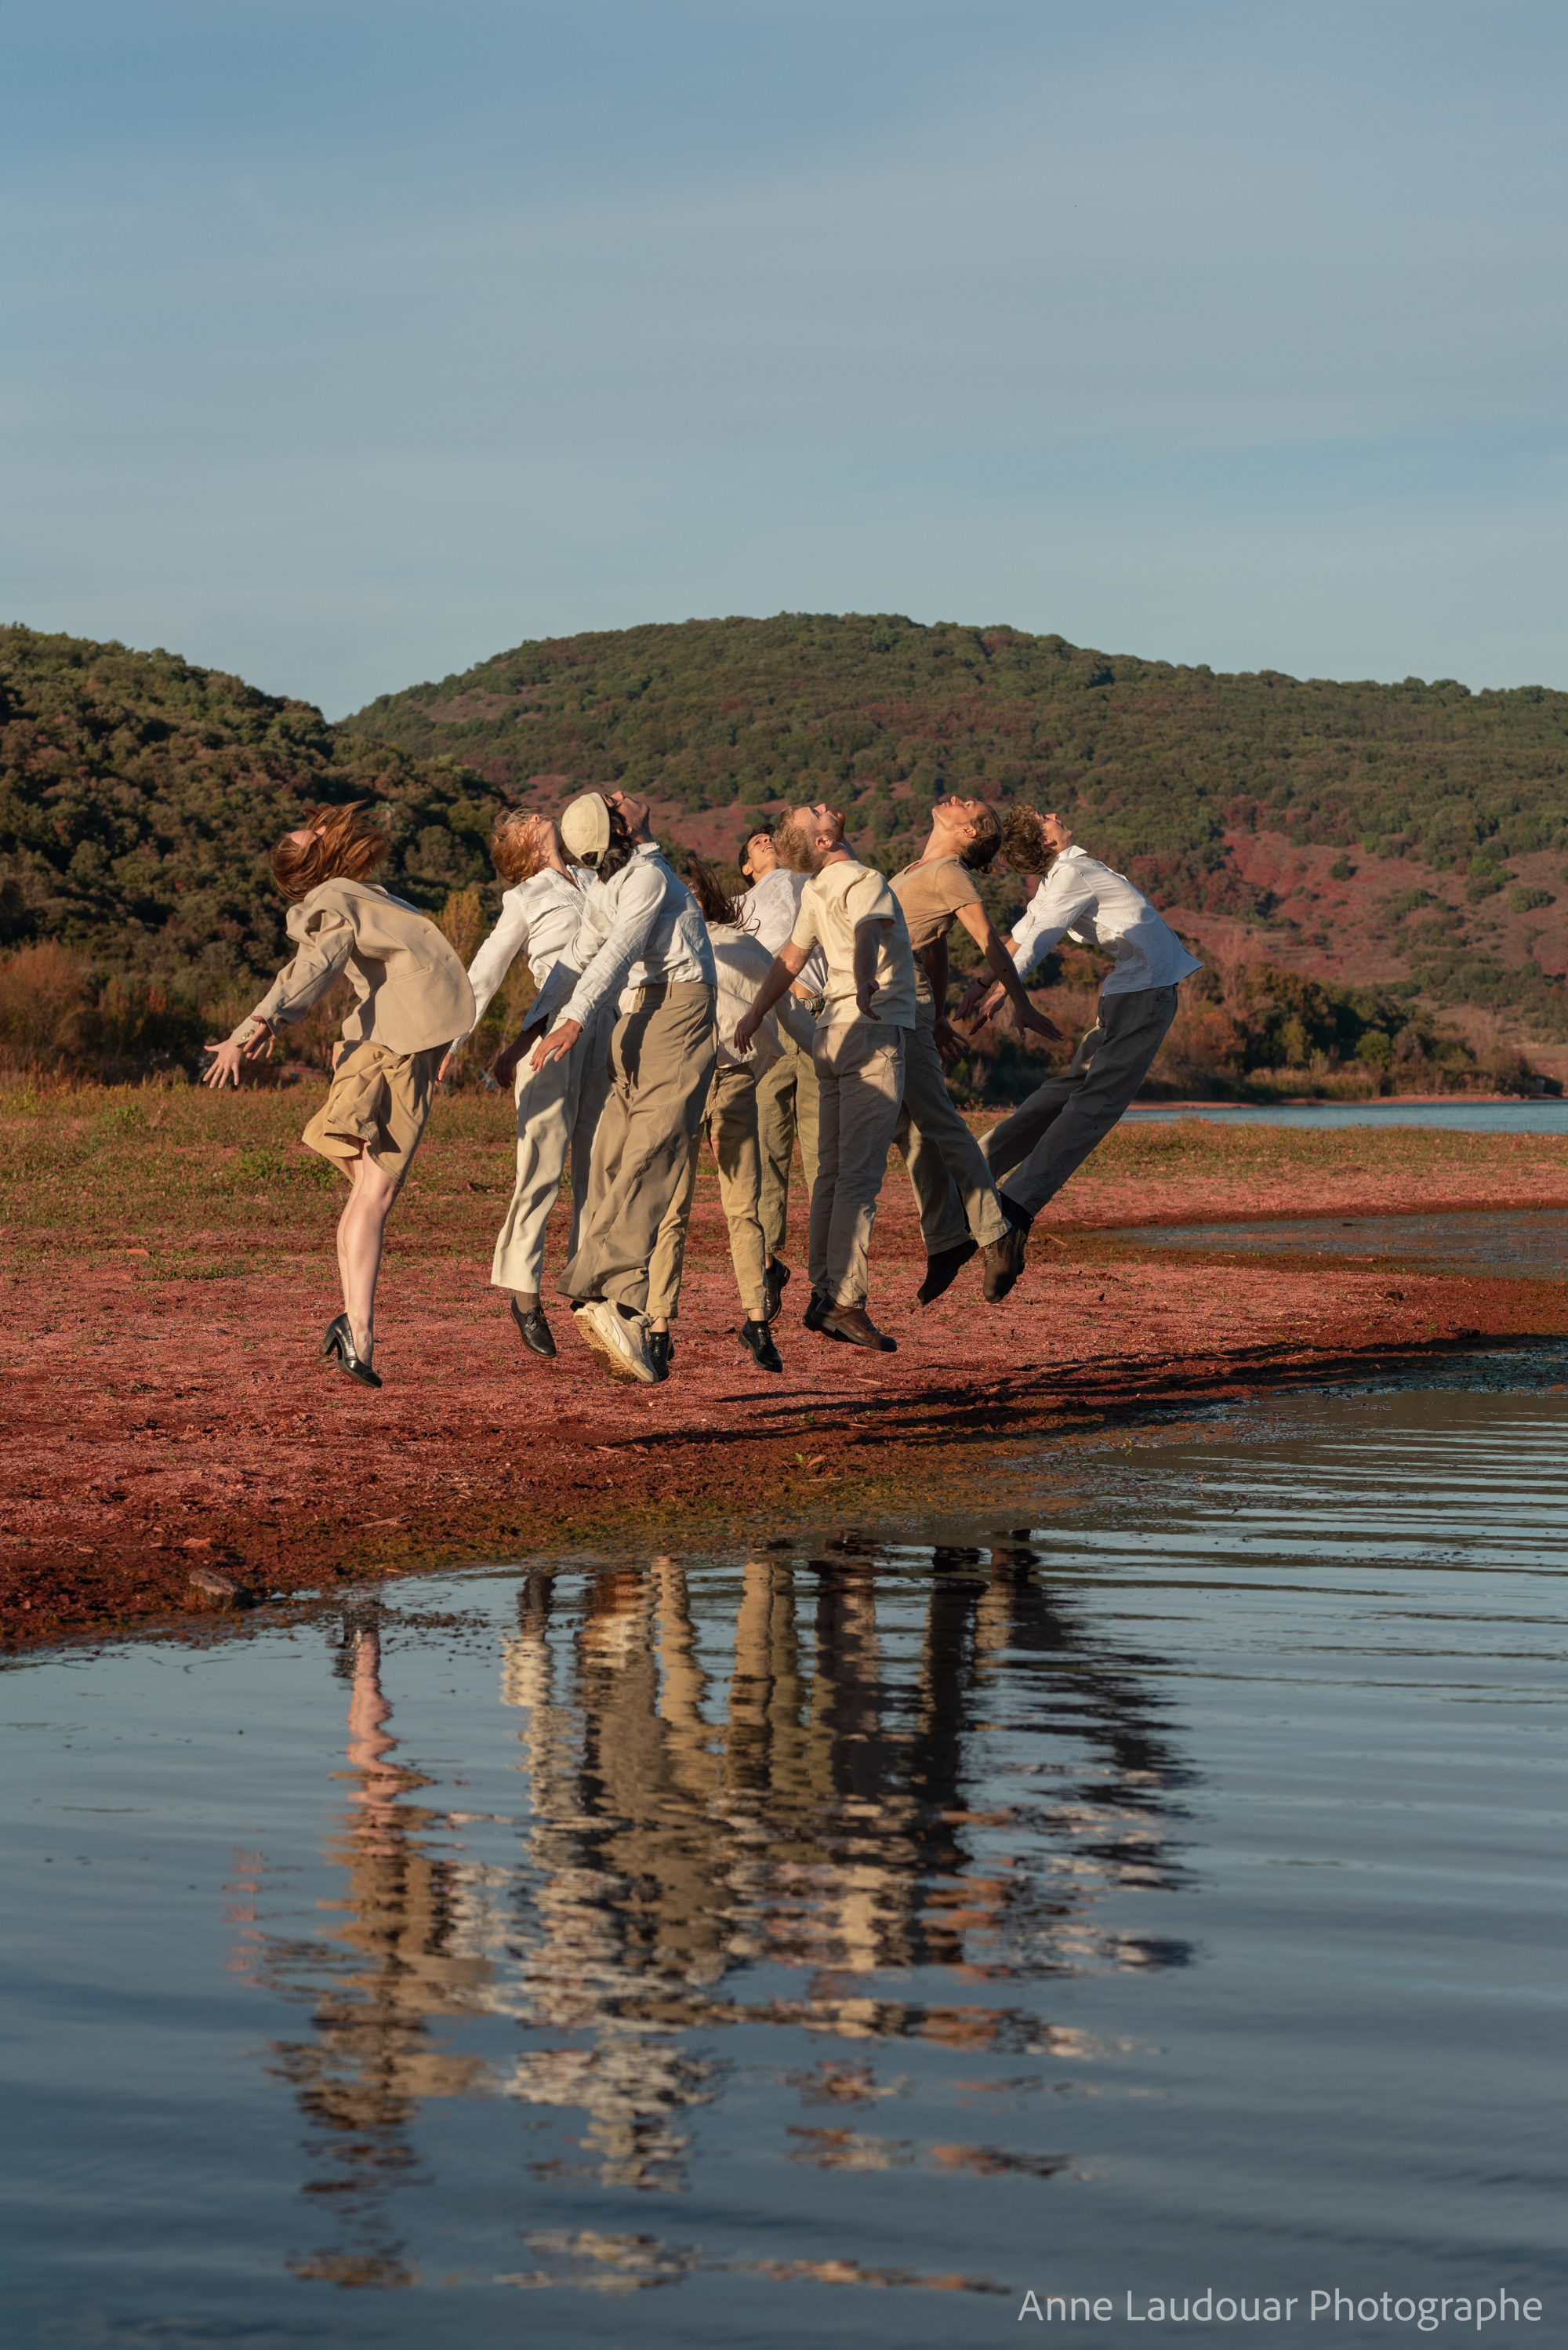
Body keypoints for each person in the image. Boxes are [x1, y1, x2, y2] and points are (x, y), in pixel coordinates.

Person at [202, 802, 475, 1389]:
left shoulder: (352, 891)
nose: (322, 827)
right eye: (311, 834)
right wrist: (255, 1025)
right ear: (310, 864)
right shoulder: (330, 902)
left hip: (402, 1038)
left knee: (369, 1193)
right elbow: (311, 968)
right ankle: (360, 1331)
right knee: (374, 1193)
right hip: (399, 1042)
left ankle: (356, 1324)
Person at [520, 790, 717, 1386]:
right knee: (656, 1151)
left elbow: (580, 958)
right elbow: (613, 955)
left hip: (636, 1020)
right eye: (615, 802)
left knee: (617, 1153)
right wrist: (571, 1018)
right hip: (674, 1012)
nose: (623, 795)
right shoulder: (646, 877)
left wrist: (543, 1019)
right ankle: (615, 1296)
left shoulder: (608, 884)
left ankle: (603, 1288)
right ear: (621, 831)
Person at [959, 808, 1202, 1229]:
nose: (1052, 814)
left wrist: (987, 985)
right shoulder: (1071, 873)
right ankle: (1017, 1201)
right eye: (1043, 818)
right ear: (1046, 842)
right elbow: (1035, 938)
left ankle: (971, 1169)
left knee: (1074, 1090)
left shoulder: (1061, 875)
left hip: (1131, 990)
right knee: (1098, 1102)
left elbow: (1027, 929)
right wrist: (1002, 989)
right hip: (1145, 991)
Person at [735, 802, 916, 1353]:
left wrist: (755, 1011)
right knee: (857, 1178)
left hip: (832, 1035)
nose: (827, 807)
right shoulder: (864, 878)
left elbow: (790, 960)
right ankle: (844, 1300)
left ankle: (822, 1289)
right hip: (870, 1027)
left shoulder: (814, 891)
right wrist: (864, 982)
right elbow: (866, 932)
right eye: (815, 811)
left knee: (832, 1174)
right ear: (820, 841)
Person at [437, 810, 608, 1362]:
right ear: (522, 851)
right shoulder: (525, 897)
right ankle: (523, 1292)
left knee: (599, 1166)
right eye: (522, 821)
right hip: (550, 1038)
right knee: (540, 1169)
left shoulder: (593, 878)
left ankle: (588, 1288)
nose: (539, 813)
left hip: (606, 1032)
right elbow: (486, 968)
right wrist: (452, 1039)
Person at [890, 794, 1063, 1307]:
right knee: (911, 1127)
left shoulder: (951, 874)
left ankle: (995, 1232)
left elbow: (988, 941)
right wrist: (939, 1014)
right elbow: (934, 946)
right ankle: (948, 1239)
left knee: (937, 1119)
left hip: (901, 1001)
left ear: (971, 830)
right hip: (897, 1000)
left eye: (969, 803)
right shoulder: (915, 869)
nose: (956, 797)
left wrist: (1021, 1003)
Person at [646, 855, 816, 1376]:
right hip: (678, 1084)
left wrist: (830, 1059)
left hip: (733, 1079)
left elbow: (784, 1011)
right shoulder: (656, 953)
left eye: (694, 895)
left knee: (743, 1204)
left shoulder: (741, 945)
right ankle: (658, 1326)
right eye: (679, 897)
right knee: (671, 1209)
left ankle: (757, 1322)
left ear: (710, 899)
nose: (687, 904)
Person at [738, 819, 826, 1317]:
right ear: (747, 867)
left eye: (770, 835)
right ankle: (769, 1263)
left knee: (819, 1153)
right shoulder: (740, 909)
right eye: (755, 843)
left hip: (818, 1015)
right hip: (769, 1022)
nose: (765, 840)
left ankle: (824, 1277)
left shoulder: (810, 881)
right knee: (768, 1149)